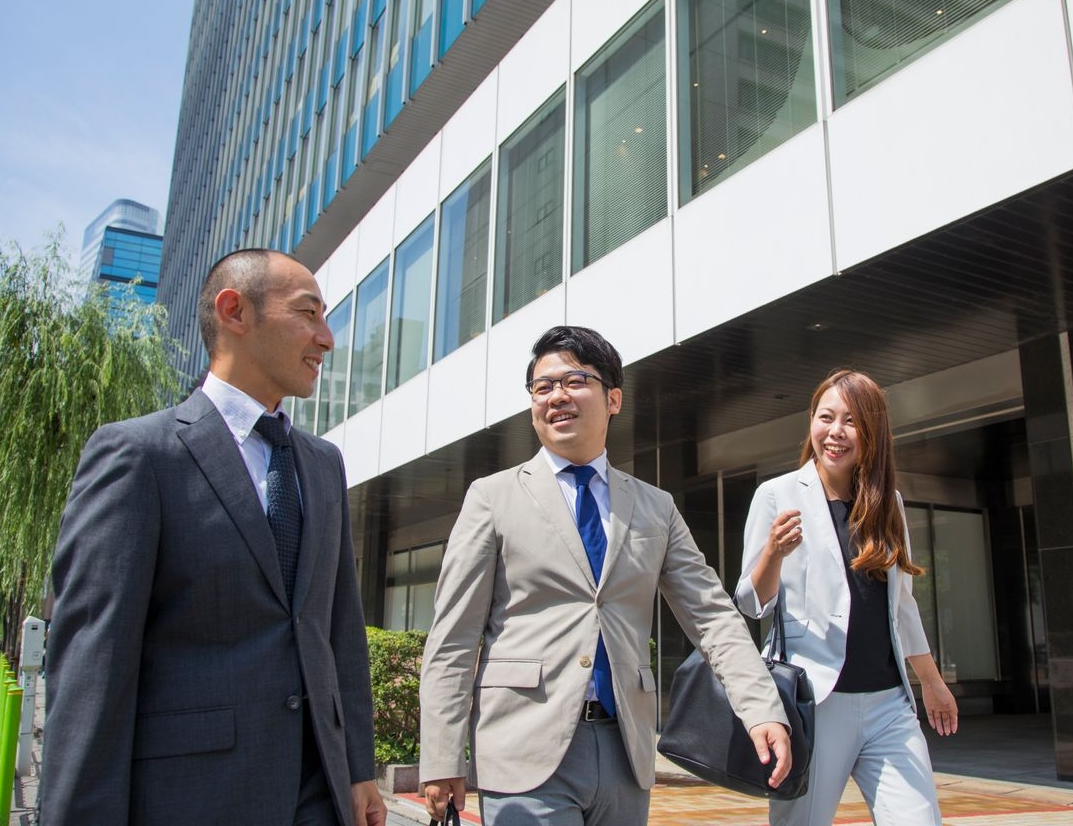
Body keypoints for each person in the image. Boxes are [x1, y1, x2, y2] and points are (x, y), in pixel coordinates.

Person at [42, 250, 386, 826]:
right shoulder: (140, 455)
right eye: (309, 313)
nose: (326, 338)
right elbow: (92, 666)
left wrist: (357, 768)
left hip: (321, 798)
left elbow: (338, 633)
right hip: (192, 796)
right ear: (235, 311)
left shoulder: (324, 465)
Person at [419, 325, 792, 825]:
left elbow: (713, 616)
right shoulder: (492, 497)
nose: (556, 396)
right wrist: (442, 758)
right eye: (542, 386)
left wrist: (761, 706)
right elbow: (454, 638)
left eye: (574, 381)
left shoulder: (655, 507)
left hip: (625, 750)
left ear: (613, 398)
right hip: (523, 748)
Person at [736, 369, 958, 826]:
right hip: (816, 702)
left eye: (852, 421)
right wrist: (773, 555)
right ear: (811, 422)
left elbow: (902, 606)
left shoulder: (887, 502)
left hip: (889, 703)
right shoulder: (776, 495)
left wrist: (931, 682)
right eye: (826, 417)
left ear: (872, 432)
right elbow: (750, 602)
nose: (835, 432)